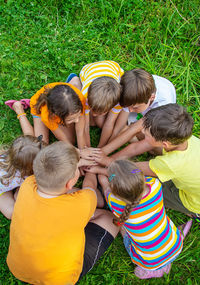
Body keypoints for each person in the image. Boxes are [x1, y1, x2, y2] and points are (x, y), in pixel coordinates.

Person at [7, 141, 119, 285]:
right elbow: (89, 188)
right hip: (60, 280)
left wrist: (72, 163)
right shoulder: (83, 201)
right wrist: (91, 170)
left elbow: (54, 167)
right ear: (70, 183)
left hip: (18, 268)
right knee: (110, 218)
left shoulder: (28, 183)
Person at [89, 160, 192, 279]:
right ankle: (170, 241)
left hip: (149, 263)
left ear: (115, 191)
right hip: (176, 247)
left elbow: (103, 181)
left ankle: (152, 271)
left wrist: (97, 169)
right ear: (142, 177)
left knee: (122, 226)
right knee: (157, 221)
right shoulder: (155, 185)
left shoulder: (115, 203)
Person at [134, 103, 200, 221]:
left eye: (147, 133)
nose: (143, 131)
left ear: (165, 143)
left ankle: (194, 213)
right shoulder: (185, 138)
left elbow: (134, 168)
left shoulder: (170, 163)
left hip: (192, 202)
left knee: (143, 187)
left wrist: (107, 164)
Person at [98, 69, 176, 157]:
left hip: (159, 117)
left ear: (151, 97)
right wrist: (102, 150)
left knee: (155, 143)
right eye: (129, 107)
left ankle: (145, 148)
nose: (130, 110)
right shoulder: (133, 93)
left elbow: (133, 129)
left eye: (134, 107)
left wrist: (103, 152)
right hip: (143, 106)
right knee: (119, 127)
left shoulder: (162, 104)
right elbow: (118, 127)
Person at [72, 60, 124, 147]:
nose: (95, 114)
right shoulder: (84, 96)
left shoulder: (119, 101)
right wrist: (88, 147)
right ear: (88, 100)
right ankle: (73, 79)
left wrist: (100, 148)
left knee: (101, 122)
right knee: (90, 121)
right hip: (87, 70)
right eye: (93, 109)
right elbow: (85, 126)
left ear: (112, 106)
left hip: (113, 67)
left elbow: (109, 123)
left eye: (99, 112)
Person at [0, 135, 45, 219]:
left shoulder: (12, 156)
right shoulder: (24, 176)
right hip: (1, 191)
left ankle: (17, 191)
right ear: (29, 168)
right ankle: (16, 192)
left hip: (9, 182)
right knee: (12, 213)